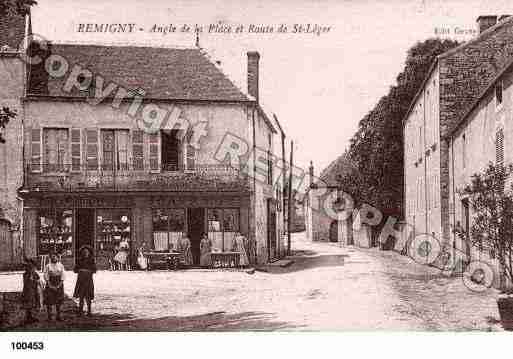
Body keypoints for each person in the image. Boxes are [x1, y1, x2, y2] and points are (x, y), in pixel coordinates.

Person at [73, 246, 97, 317]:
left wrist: (86, 271)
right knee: (81, 296)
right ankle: (80, 311)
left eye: (87, 252)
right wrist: (80, 270)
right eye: (84, 252)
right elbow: (75, 270)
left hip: (88, 280)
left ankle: (89, 311)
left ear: (89, 253)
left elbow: (94, 270)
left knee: (88, 296)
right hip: (81, 280)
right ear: (82, 253)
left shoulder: (91, 261)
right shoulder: (80, 261)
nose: (85, 253)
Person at [43, 251, 65, 321]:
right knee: (49, 300)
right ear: (50, 258)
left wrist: (59, 285)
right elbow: (46, 275)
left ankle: (58, 316)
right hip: (50, 283)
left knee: (59, 300)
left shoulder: (61, 265)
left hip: (59, 283)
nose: (53, 258)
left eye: (55, 256)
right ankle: (49, 316)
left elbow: (63, 275)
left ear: (57, 258)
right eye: (52, 256)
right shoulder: (48, 266)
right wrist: (49, 285)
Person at [21, 258, 40, 324]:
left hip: (33, 290)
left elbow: (38, 280)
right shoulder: (26, 274)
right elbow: (26, 283)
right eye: (32, 267)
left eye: (33, 267)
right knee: (28, 303)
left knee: (33, 303)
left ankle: (30, 316)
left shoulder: (35, 274)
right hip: (28, 290)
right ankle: (28, 317)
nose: (33, 268)